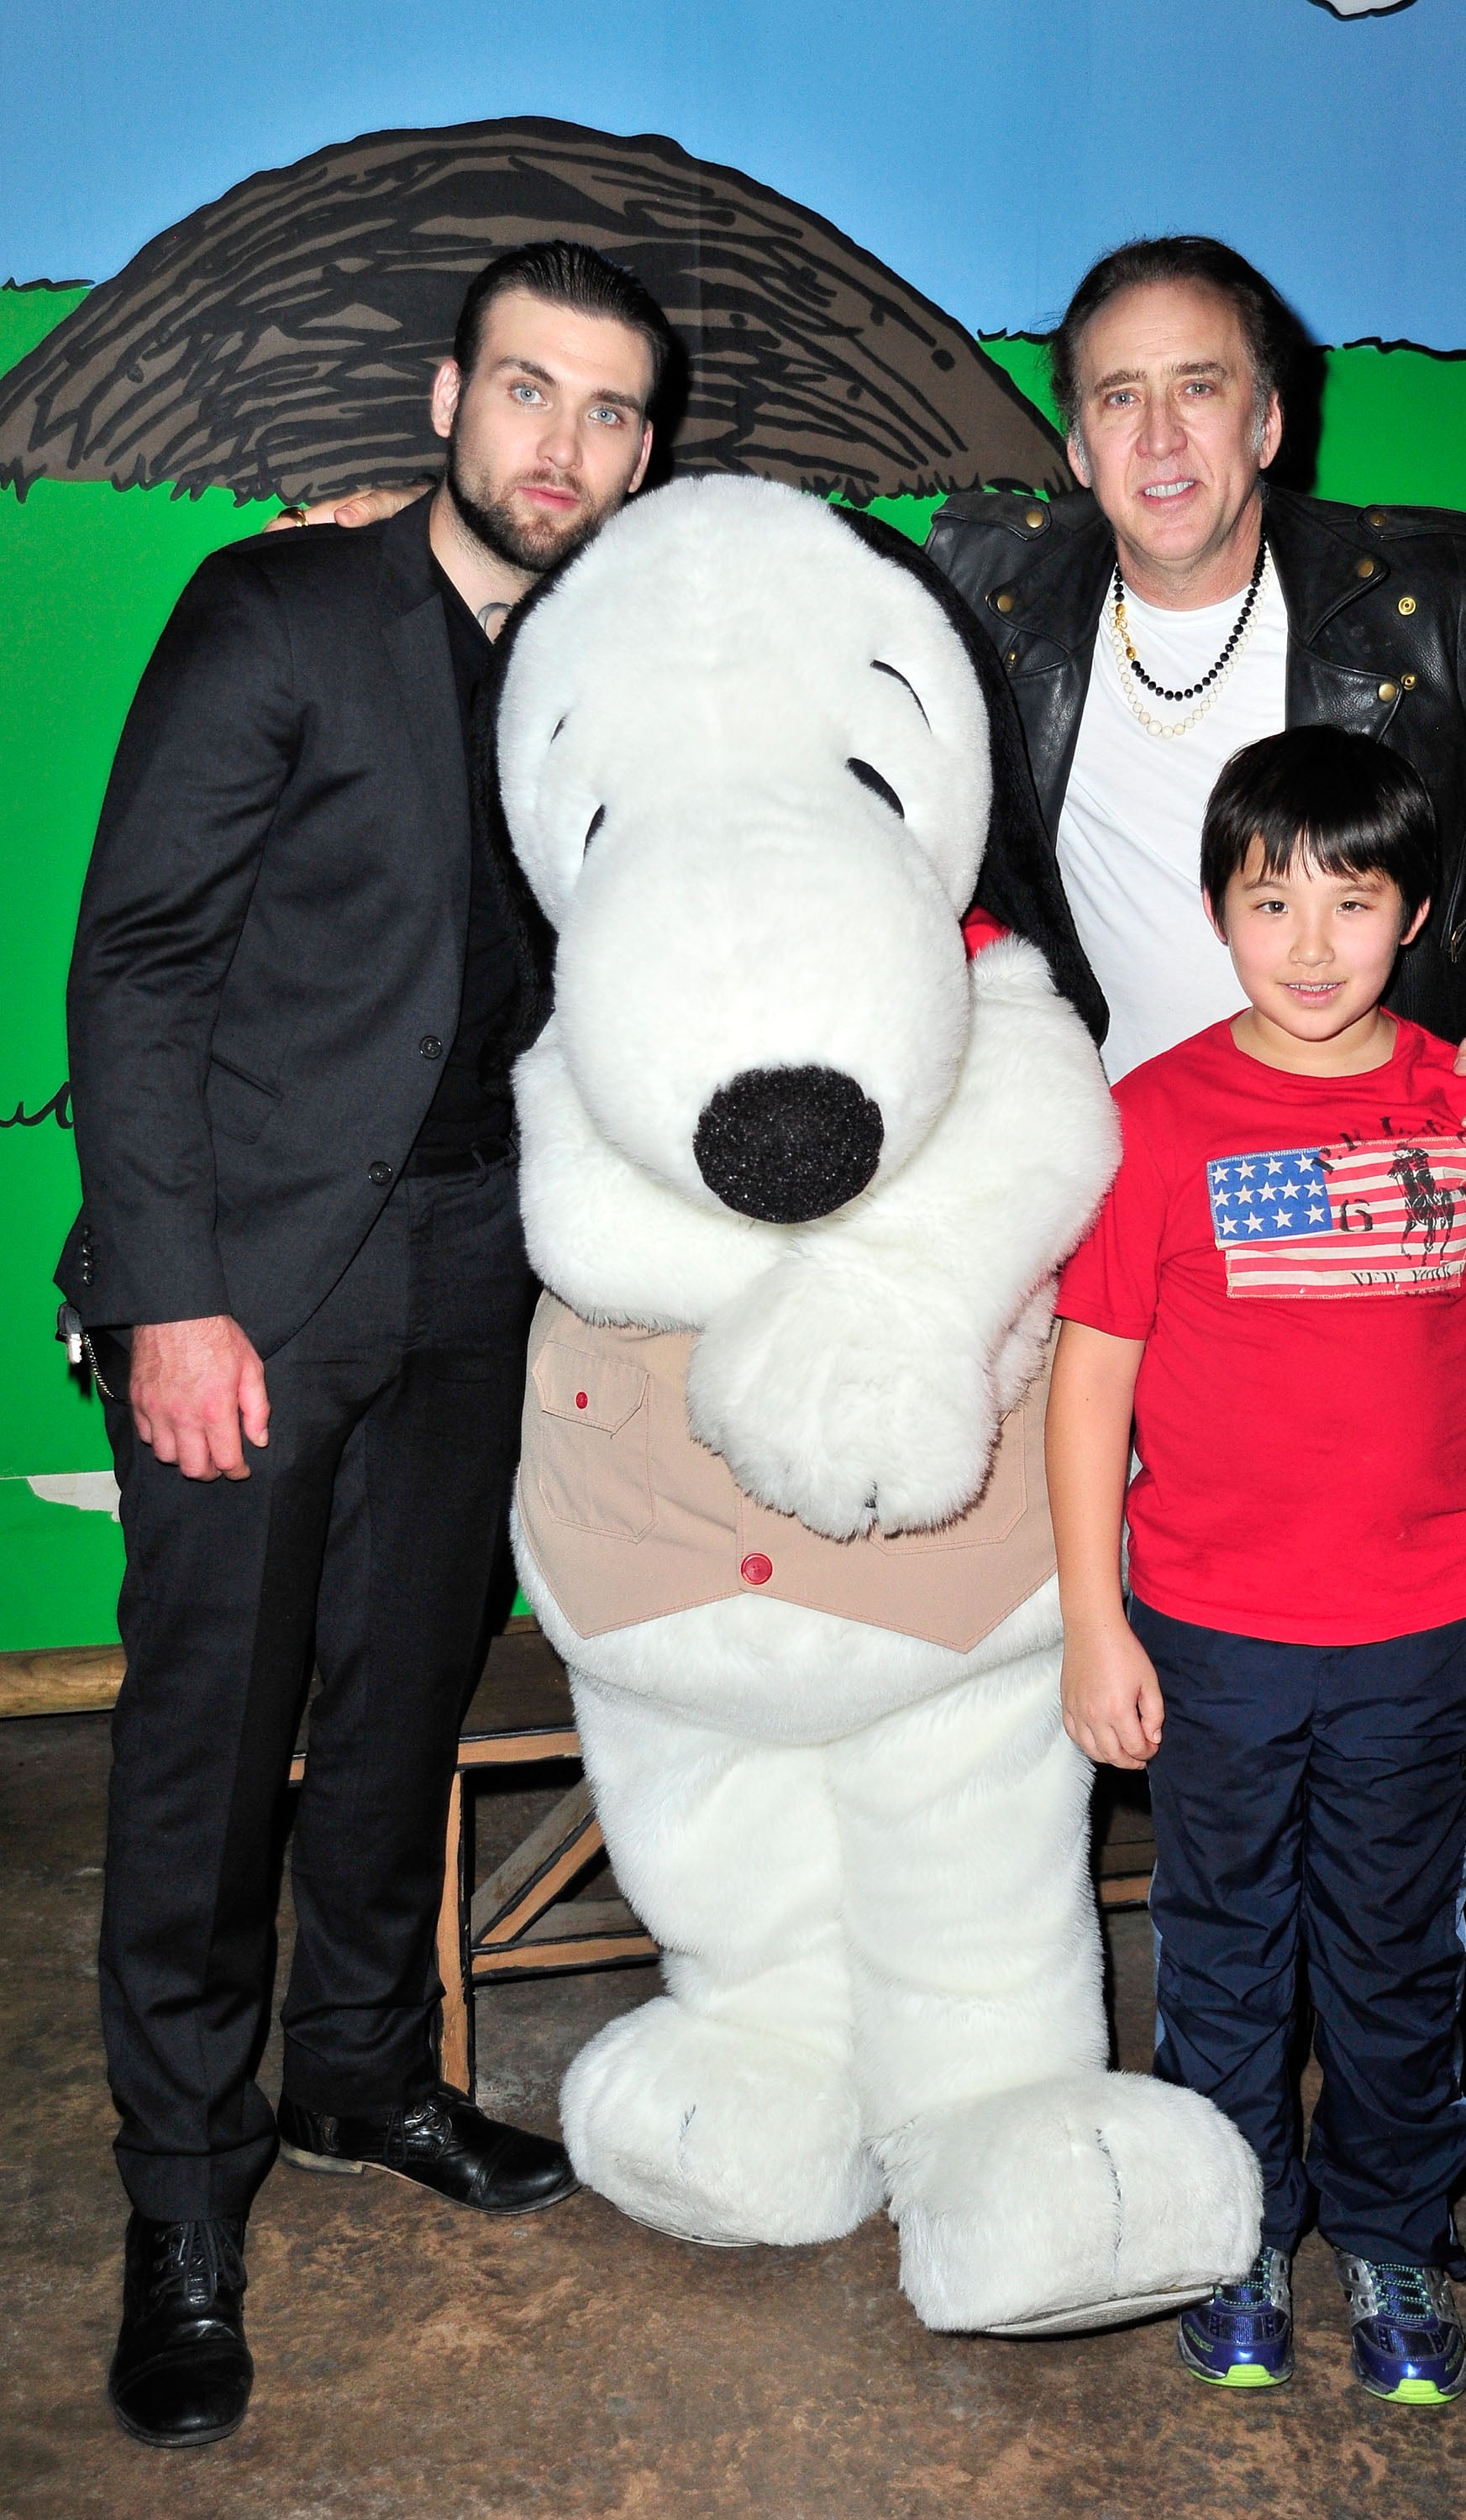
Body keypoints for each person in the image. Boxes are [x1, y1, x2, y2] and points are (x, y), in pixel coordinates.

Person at [926, 234, 1466, 2276]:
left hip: (1424, 1214)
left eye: (1198, 387)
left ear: (1269, 413)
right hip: (1162, 1217)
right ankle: (1216, 2154)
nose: (1160, 432)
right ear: (1074, 436)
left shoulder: (1416, 596)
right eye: (1116, 395)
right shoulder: (992, 595)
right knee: (1214, 1737)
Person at [58, 238, 673, 2449]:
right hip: (257, 1273)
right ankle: (180, 2189)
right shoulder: (277, 614)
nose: (566, 448)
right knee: (210, 1743)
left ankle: (350, 2080)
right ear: (441, 399)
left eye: (613, 413)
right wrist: (168, 1294)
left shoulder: (621, 651)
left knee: (408, 1685)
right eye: (530, 393)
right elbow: (132, 967)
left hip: (479, 1267)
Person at [1048, 723, 1466, 2400]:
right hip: (1207, 1633)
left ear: (1415, 915)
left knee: (1388, 1952)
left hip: (1420, 1633)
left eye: (1350, 905)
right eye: (1268, 901)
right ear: (1215, 910)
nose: (1306, 945)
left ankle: (1394, 2237)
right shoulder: (1147, 1121)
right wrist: (1093, 1626)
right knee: (1217, 1951)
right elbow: (1090, 1389)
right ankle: (1230, 2237)